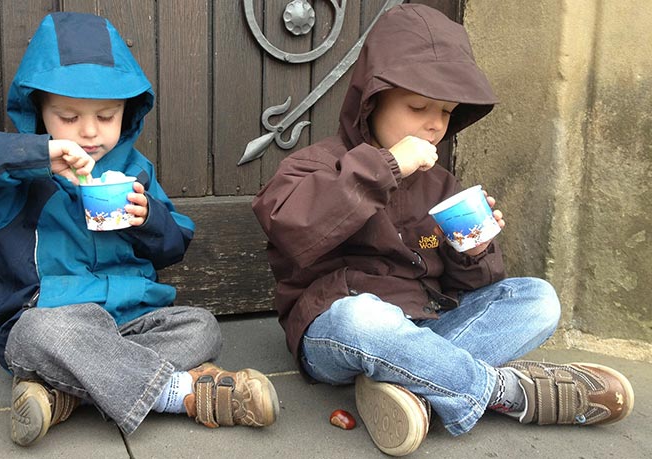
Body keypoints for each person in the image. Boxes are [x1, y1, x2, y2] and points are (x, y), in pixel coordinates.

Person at [251, 4, 632, 457]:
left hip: (427, 322)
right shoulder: (313, 165)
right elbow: (290, 229)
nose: (434, 124)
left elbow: (469, 288)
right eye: (417, 107)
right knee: (365, 317)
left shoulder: (440, 184)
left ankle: (413, 385)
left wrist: (473, 250)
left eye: (447, 111)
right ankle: (508, 393)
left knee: (537, 299)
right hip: (338, 329)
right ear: (372, 100)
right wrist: (386, 166)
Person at [0, 12, 278, 447]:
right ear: (38, 110)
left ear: (127, 113)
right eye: (69, 117)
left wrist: (147, 218)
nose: (90, 132)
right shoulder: (16, 182)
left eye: (106, 116)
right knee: (38, 335)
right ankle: (182, 393)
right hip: (56, 322)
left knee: (202, 326)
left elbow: (173, 247)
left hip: (133, 320)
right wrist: (36, 155)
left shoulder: (135, 173)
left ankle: (65, 394)